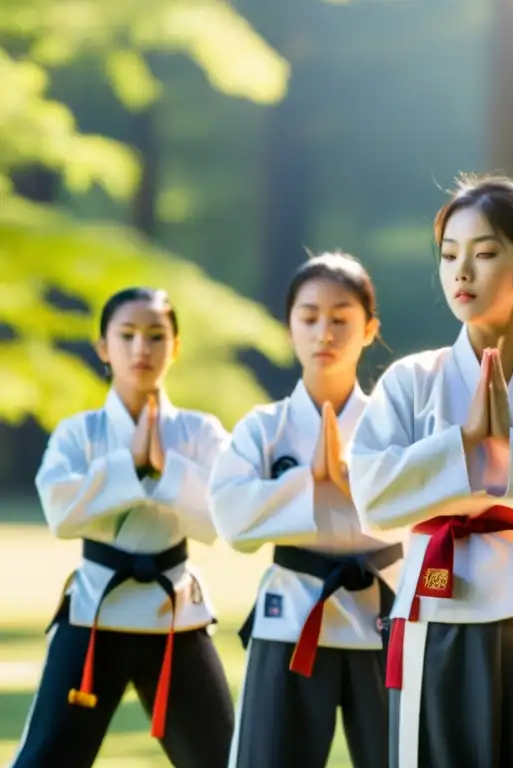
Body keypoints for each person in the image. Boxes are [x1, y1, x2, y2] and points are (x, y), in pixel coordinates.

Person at [348, 174, 513, 768]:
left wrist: (506, 459)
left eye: (485, 252)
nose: (461, 272)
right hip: (438, 613)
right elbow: (372, 501)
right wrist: (462, 444)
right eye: (449, 255)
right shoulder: (410, 381)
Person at [12, 287, 234, 768]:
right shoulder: (79, 431)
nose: (141, 349)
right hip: (95, 611)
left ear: (175, 347)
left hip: (175, 615)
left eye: (156, 336)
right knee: (45, 758)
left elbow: (227, 516)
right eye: (127, 335)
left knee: (224, 758)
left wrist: (166, 468)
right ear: (102, 347)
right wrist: (130, 467)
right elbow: (61, 514)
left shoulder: (201, 432)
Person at [209, 252, 401, 768]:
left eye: (341, 318)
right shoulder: (263, 427)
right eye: (309, 317)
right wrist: (308, 481)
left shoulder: (395, 422)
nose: (325, 333)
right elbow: (229, 515)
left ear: (369, 329)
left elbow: (426, 508)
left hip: (385, 616)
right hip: (291, 618)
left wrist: (352, 479)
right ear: (289, 326)